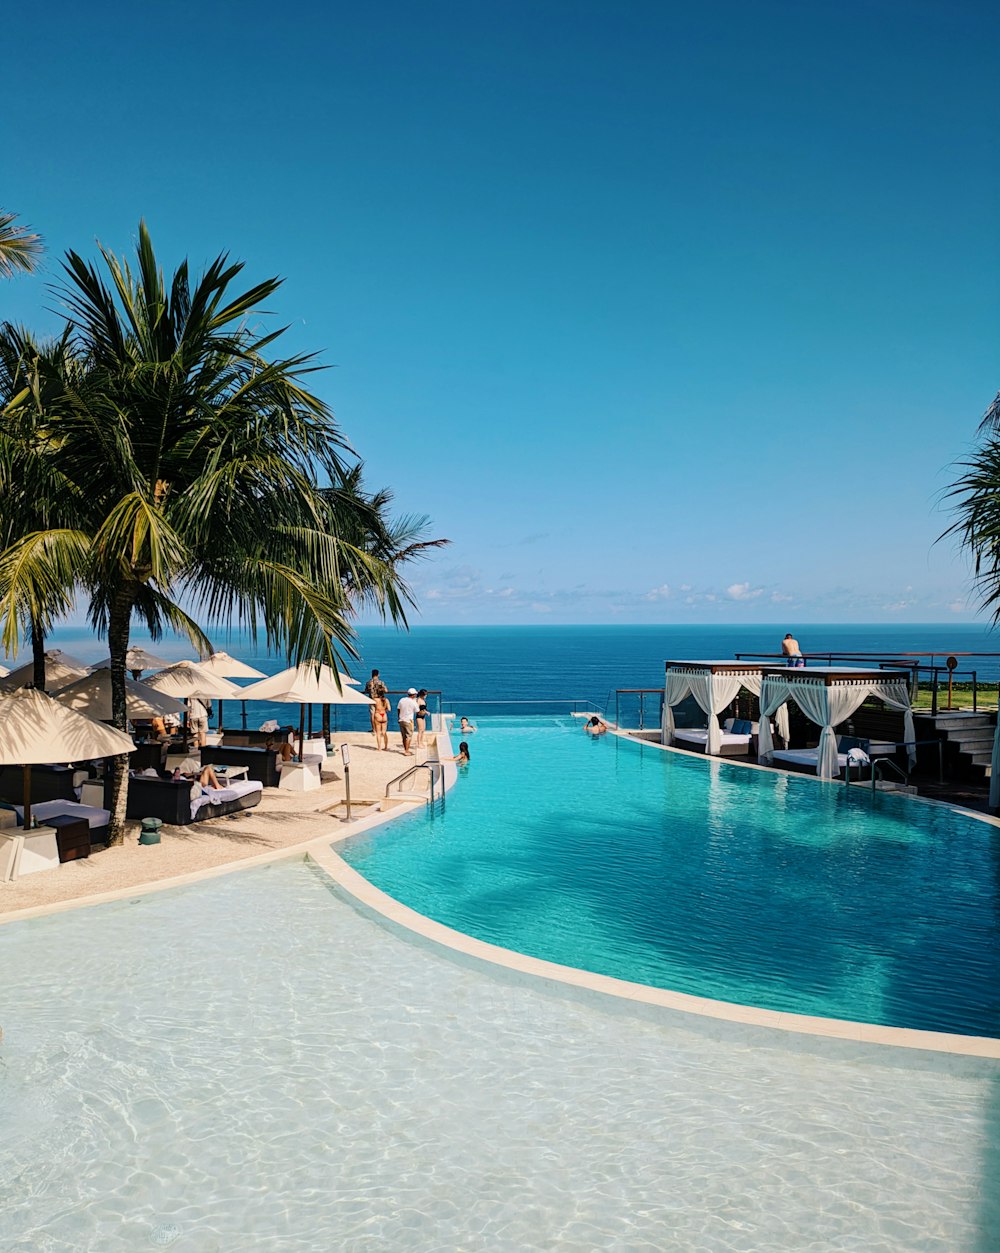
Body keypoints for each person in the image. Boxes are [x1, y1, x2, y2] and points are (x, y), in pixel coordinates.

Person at [363, 669, 388, 738]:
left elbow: (366, 691)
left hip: (371, 700)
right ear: (378, 674)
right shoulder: (381, 682)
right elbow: (386, 690)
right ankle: (380, 730)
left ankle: (374, 730)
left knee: (372, 714)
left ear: (372, 674)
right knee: (380, 714)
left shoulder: (368, 682)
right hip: (379, 700)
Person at [397, 687, 419, 756]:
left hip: (401, 719)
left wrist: (399, 717)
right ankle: (407, 751)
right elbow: (417, 711)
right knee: (409, 736)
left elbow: (398, 709)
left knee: (403, 736)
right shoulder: (413, 702)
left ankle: (405, 749)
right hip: (409, 720)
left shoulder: (402, 700)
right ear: (413, 695)